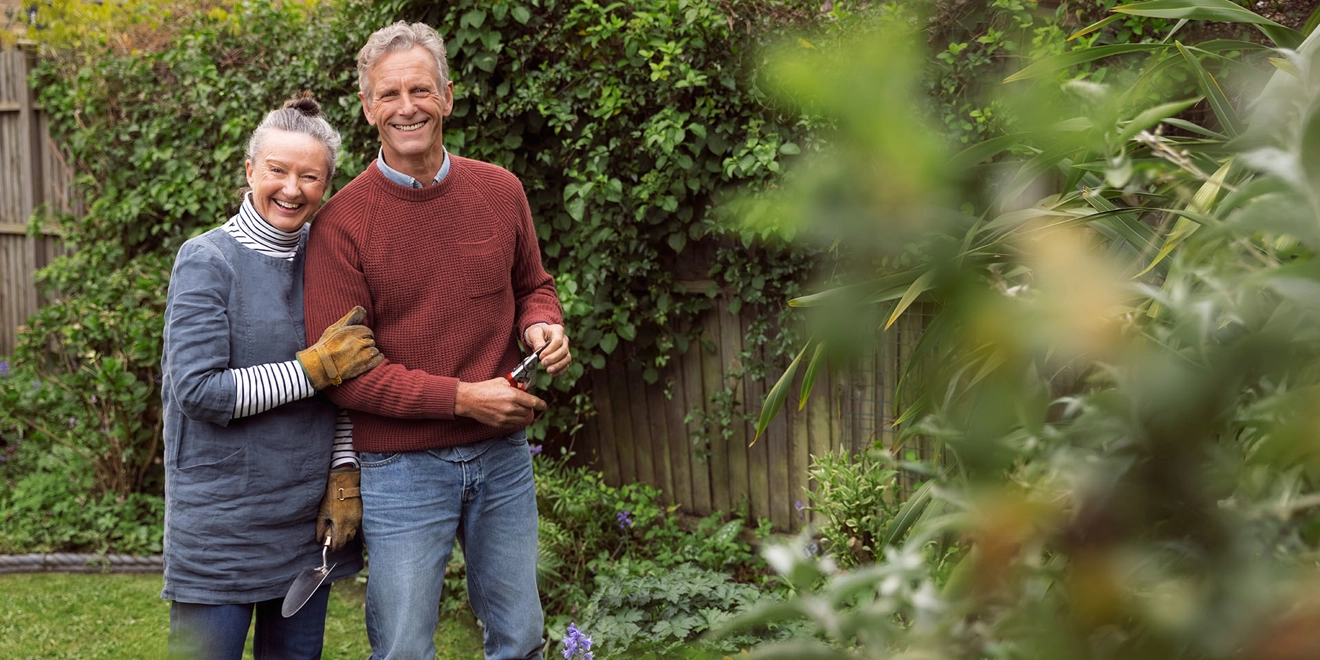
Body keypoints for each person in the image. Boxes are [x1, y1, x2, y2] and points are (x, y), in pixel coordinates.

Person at [303, 21, 572, 660]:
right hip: (400, 467)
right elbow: (344, 375)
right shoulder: (342, 221)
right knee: (401, 648)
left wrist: (543, 322)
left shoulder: (500, 190)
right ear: (368, 108)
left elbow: (535, 284)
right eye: (389, 95)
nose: (407, 108)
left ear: (447, 95)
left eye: (420, 90)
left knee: (521, 637)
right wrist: (462, 399)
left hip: (502, 458)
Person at [160, 95, 384, 659]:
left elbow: (347, 383)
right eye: (277, 171)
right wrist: (311, 368)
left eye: (310, 176)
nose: (291, 188)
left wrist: (343, 473)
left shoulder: (328, 258)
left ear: (326, 185)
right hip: (220, 527)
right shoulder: (207, 260)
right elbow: (199, 391)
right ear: (250, 170)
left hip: (303, 526)